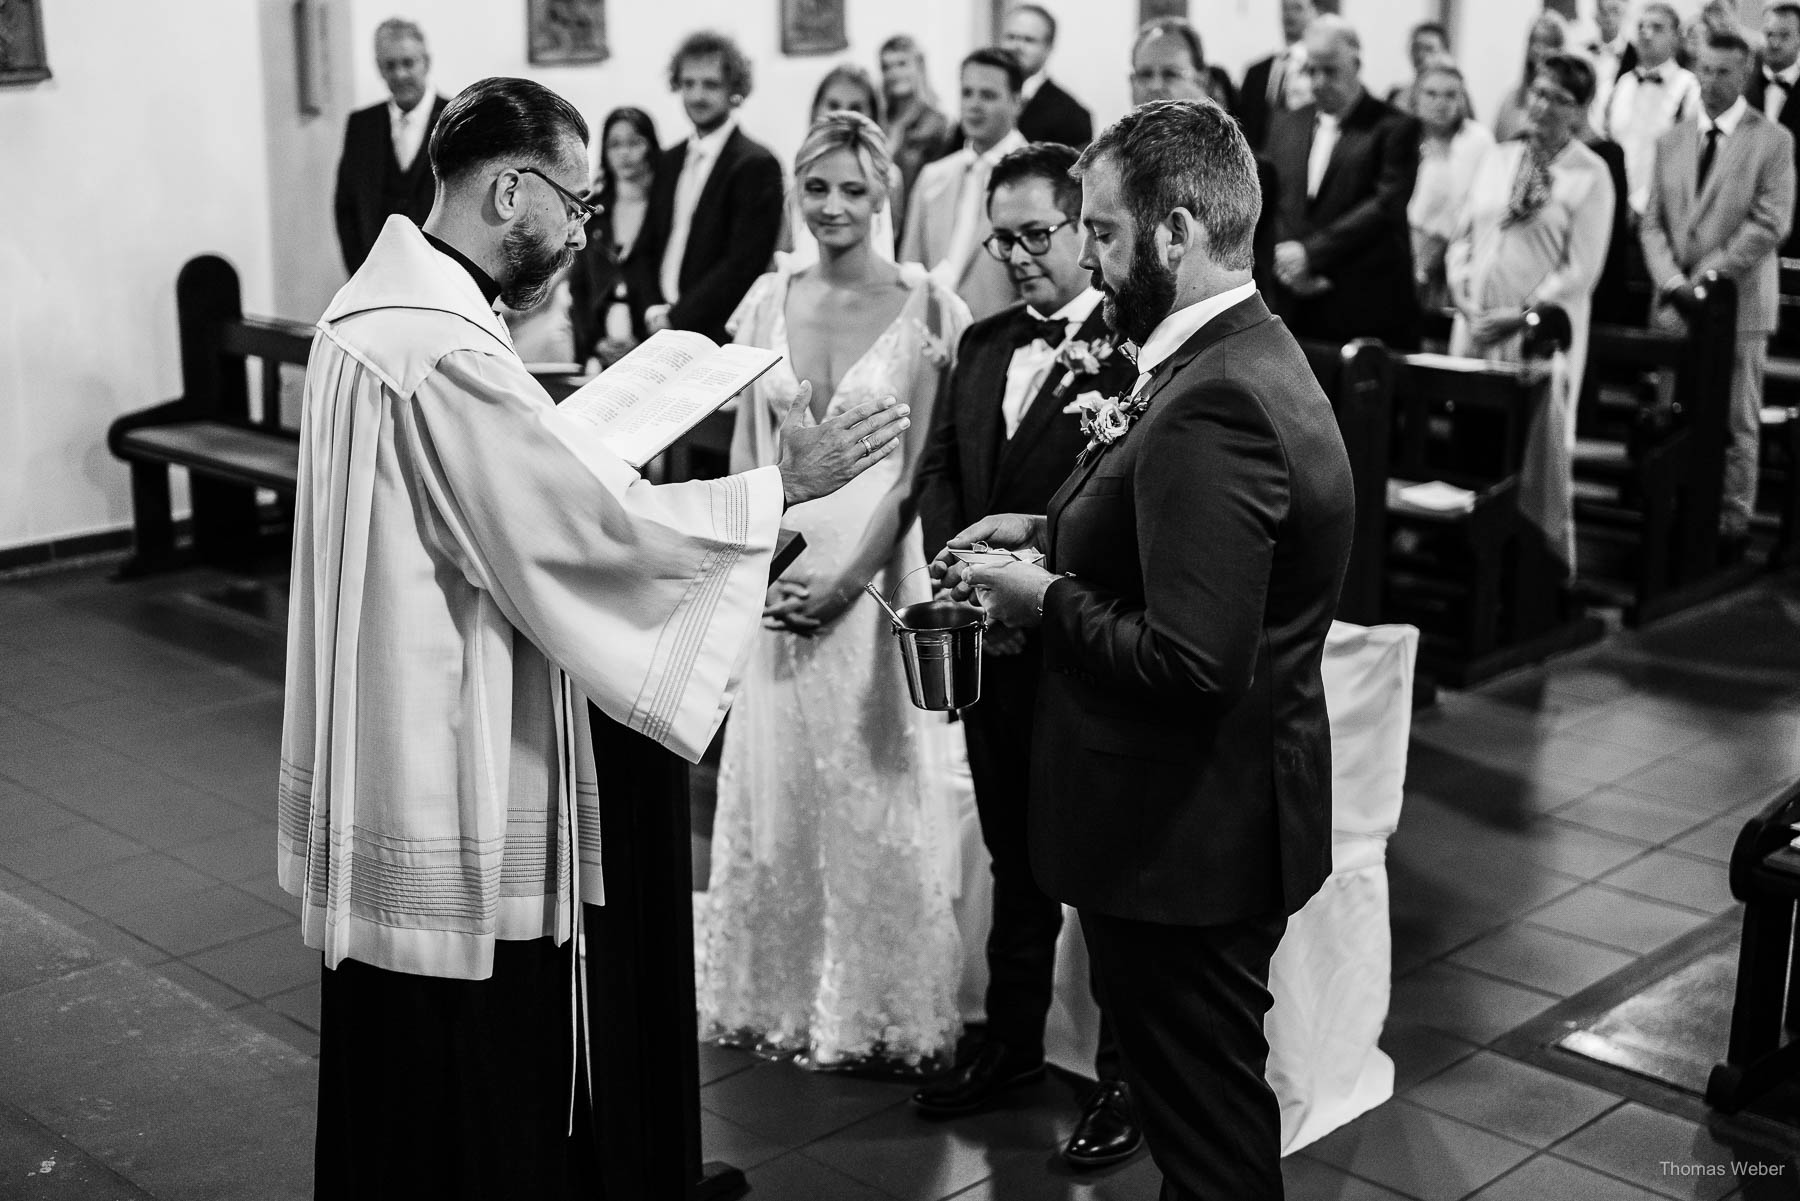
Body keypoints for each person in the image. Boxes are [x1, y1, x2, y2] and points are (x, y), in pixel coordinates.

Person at [282, 77, 912, 1200]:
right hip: (451, 745)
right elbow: (571, 533)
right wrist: (783, 490)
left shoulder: (369, 313)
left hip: (389, 717)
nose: (582, 232)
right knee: (467, 1050)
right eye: (574, 206)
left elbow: (501, 495)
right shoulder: (443, 345)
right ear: (510, 189)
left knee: (400, 1063)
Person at [937, 97, 1355, 1201]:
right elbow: (1170, 533)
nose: (1095, 259)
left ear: (1175, 234)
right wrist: (1047, 528)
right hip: (1200, 818)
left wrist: (1041, 595)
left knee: (1211, 1141)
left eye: (1107, 234)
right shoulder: (1229, 354)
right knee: (1199, 1121)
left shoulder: (1218, 399)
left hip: (1189, 834)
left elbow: (1192, 659)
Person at [697, 112, 972, 1077]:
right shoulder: (769, 295)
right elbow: (744, 447)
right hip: (774, 563)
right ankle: (772, 989)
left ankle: (874, 1000)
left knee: (870, 784)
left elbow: (919, 471)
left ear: (886, 194)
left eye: (856, 189)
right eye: (818, 187)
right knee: (776, 784)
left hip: (875, 569)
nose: (836, 207)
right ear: (796, 194)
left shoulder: (928, 304)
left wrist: (849, 582)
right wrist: (755, 559)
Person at [909, 142, 1141, 1166]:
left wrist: (1032, 586)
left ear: (1088, 233)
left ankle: (1128, 1081)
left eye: (1034, 235)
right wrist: (961, 578)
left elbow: (1130, 507)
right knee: (1014, 853)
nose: (1012, 256)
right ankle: (1009, 1042)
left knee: (1106, 871)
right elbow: (945, 469)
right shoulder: (985, 340)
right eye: (999, 237)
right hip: (992, 652)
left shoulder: (1135, 355)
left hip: (1084, 647)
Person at [1448, 52, 1615, 578]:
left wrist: (1520, 315)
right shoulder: (1497, 158)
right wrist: (1465, 294)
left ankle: (1527, 570)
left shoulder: (1591, 175)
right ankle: (1465, 556)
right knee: (1470, 436)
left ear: (1581, 109)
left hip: (1536, 335)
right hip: (1474, 324)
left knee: (1528, 449)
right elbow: (1463, 236)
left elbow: (1581, 269)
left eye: (1560, 99)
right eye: (1539, 93)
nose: (1543, 106)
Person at [1642, 29, 1796, 553]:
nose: (1710, 81)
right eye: (1704, 69)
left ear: (1747, 71)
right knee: (1669, 414)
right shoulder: (1672, 139)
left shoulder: (1772, 140)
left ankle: (1729, 525)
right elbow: (1653, 224)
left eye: (1723, 71)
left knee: (1735, 419)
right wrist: (1672, 280)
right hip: (1675, 302)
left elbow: (1770, 222)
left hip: (1739, 301)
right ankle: (1668, 516)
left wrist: (1707, 274)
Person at [1265, 14, 1422, 348]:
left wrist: (1311, 255)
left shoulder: (1393, 127)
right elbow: (1271, 198)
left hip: (1361, 304)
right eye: (1312, 70)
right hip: (1291, 307)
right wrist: (1285, 261)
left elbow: (1384, 207)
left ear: (1356, 62)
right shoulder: (1287, 125)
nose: (1319, 81)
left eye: (1331, 70)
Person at [644, 30, 785, 343]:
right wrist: (651, 310)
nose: (697, 96)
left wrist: (676, 319)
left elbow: (743, 265)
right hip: (660, 330)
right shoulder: (669, 159)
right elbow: (649, 244)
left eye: (710, 84)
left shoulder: (757, 164)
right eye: (689, 83)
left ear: (734, 89)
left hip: (720, 334)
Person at [900, 48, 1030, 320]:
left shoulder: (1036, 179)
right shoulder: (933, 176)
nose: (974, 105)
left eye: (988, 95)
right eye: (967, 93)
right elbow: (909, 267)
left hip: (1003, 337)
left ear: (1017, 102)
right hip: (933, 335)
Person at [333, 18, 447, 275]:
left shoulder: (456, 120)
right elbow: (346, 206)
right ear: (379, 68)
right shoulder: (362, 125)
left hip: (439, 276)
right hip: (376, 274)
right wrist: (360, 273)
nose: (400, 74)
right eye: (390, 65)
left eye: (408, 63)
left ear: (426, 62)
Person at [568, 107, 659, 369]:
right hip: (600, 345)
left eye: (635, 142)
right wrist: (595, 342)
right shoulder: (594, 212)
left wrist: (643, 340)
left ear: (651, 146)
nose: (625, 153)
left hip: (651, 338)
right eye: (615, 144)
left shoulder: (664, 210)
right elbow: (580, 288)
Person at [783, 65, 900, 264]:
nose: (843, 115)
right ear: (816, 109)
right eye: (833, 105)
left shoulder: (891, 177)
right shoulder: (800, 173)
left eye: (856, 107)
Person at [1602, 2, 1700, 217]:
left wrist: (1643, 204)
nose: (1646, 33)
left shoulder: (1689, 88)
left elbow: (1686, 158)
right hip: (1612, 206)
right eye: (1641, 27)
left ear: (1676, 37)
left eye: (1657, 27)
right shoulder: (1619, 85)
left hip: (1660, 212)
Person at [1411, 62, 1493, 313]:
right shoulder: (1401, 135)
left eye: (1451, 95)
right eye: (1431, 94)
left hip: (1455, 256)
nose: (1441, 103)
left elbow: (1478, 202)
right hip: (1405, 250)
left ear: (1462, 99)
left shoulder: (1478, 140)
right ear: (1416, 96)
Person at [879, 35, 953, 235]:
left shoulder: (937, 125)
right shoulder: (878, 119)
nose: (894, 73)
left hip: (915, 225)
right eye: (887, 67)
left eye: (902, 64)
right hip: (880, 221)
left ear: (919, 66)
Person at [1746, 2, 1800, 256]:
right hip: (1741, 219)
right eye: (1769, 34)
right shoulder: (1742, 85)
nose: (1775, 42)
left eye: (1784, 35)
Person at [1001, 4, 1093, 149]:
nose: (1016, 46)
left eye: (1028, 40)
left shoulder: (1072, 115)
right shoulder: (980, 98)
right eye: (1011, 37)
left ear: (1049, 47)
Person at [1238, 0, 1319, 152]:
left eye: (1297, 8)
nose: (1290, 15)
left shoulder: (1319, 72)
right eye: (1285, 8)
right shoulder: (1256, 72)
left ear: (1314, 12)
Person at [1493, 12, 1569, 142]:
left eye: (1547, 43)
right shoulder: (1512, 99)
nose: (1539, 50)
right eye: (1535, 42)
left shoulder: (1567, 103)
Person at [1385, 20, 1451, 115]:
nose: (1421, 54)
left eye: (1429, 49)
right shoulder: (1396, 94)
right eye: (1416, 48)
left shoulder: (1453, 97)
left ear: (1444, 53)